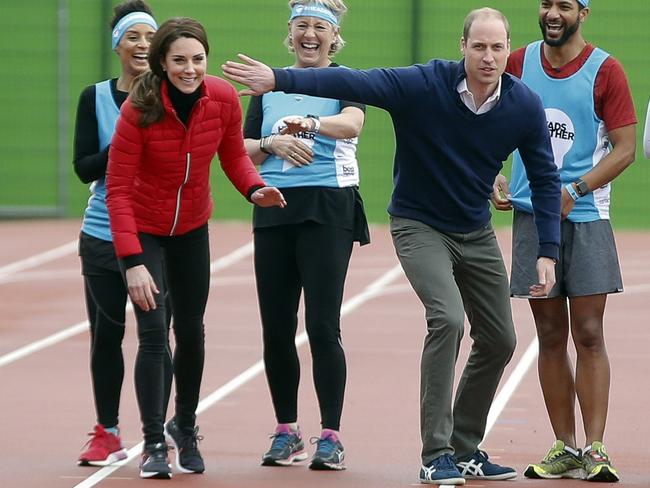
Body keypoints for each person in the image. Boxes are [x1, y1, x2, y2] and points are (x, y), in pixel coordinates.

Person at [224, 7, 561, 486]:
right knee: (446, 318)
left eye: (498, 48)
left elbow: (545, 177)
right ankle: (436, 454)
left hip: (475, 228)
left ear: (510, 51)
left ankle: (465, 447)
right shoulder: (424, 84)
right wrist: (276, 79)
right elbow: (359, 82)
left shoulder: (523, 105)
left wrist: (548, 249)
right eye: (479, 47)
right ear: (462, 47)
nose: (489, 57)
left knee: (501, 338)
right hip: (418, 223)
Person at [106, 17, 286, 479]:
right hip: (144, 230)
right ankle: (152, 444)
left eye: (198, 59)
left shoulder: (221, 98)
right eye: (180, 61)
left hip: (191, 228)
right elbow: (118, 189)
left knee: (191, 330)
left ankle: (184, 426)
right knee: (151, 332)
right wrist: (131, 262)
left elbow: (231, 156)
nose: (190, 69)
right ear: (163, 64)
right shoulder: (138, 109)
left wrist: (255, 189)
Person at [490, 0, 636, 482]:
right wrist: (495, 174)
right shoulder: (518, 63)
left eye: (565, 6)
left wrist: (576, 190)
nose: (553, 13)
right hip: (534, 220)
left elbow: (626, 147)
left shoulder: (605, 70)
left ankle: (595, 448)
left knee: (589, 333)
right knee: (550, 336)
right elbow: (493, 125)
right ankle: (565, 447)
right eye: (547, 3)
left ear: (583, 13)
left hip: (587, 215)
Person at [242, 0, 368, 472]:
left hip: (328, 208)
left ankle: (331, 436)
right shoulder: (269, 85)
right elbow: (243, 148)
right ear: (290, 33)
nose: (310, 34)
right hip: (273, 209)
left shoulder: (345, 80)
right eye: (302, 26)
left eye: (320, 27)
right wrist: (271, 143)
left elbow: (353, 123)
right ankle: (286, 430)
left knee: (321, 326)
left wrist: (311, 124)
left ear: (334, 37)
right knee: (276, 327)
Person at [73, 0, 170, 467]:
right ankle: (106, 431)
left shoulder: (172, 94)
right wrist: (125, 141)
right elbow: (83, 167)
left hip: (153, 231)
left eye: (150, 37)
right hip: (101, 232)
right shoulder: (94, 98)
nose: (141, 44)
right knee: (105, 336)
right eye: (133, 36)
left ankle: (163, 431)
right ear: (118, 45)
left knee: (158, 334)